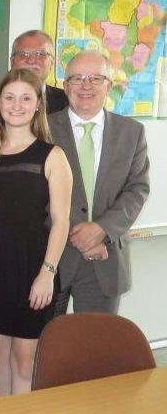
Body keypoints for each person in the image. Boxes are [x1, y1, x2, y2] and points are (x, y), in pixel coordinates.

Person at [0, 70, 72, 414]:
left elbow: (61, 221)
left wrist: (47, 273)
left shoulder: (52, 156)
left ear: (38, 104)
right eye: (8, 98)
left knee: (22, 361)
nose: (16, 105)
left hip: (33, 272)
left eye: (25, 98)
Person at [48, 52, 150, 315]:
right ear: (65, 85)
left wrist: (101, 231)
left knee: (94, 350)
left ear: (109, 85)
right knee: (47, 348)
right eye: (78, 78)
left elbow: (137, 189)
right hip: (51, 260)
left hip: (104, 258)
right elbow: (34, 191)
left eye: (96, 78)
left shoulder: (132, 132)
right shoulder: (43, 129)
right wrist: (79, 235)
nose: (86, 85)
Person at [0, 30, 69, 114]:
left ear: (51, 63)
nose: (31, 61)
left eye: (39, 54)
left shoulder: (67, 102)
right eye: (23, 54)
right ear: (12, 61)